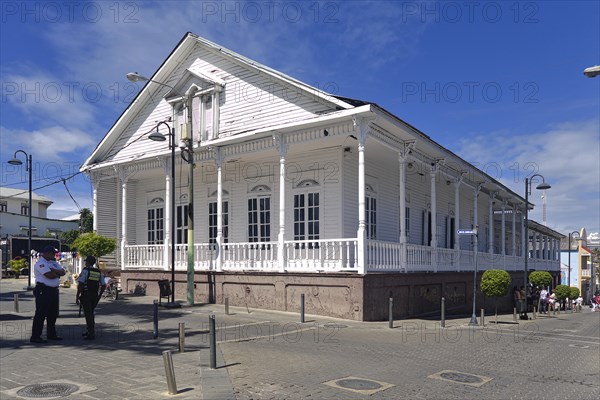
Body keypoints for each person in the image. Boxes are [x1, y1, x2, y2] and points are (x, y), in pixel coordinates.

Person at [30, 245, 66, 343]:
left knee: (52, 314)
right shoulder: (40, 263)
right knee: (41, 314)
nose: (54, 255)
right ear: (46, 253)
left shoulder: (53, 263)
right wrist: (56, 273)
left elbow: (63, 272)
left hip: (53, 291)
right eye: (52, 253)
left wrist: (54, 271)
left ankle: (51, 334)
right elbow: (49, 275)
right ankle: (35, 336)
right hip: (44, 290)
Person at [76, 255, 106, 340]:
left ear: (88, 262)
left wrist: (77, 296)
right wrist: (99, 295)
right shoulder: (98, 272)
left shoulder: (85, 271)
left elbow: (81, 284)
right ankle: (89, 330)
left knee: (88, 314)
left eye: (86, 262)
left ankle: (91, 333)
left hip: (86, 295)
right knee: (91, 313)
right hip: (94, 295)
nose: (85, 263)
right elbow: (103, 285)